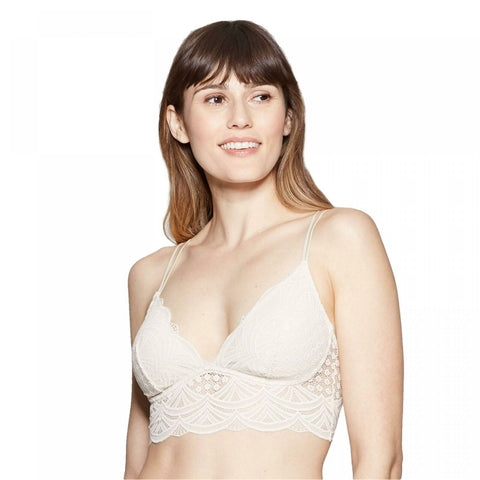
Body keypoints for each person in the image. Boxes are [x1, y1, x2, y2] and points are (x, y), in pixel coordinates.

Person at [124, 20, 403, 480]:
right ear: (178, 123)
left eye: (261, 96)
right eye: (215, 99)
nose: (241, 118)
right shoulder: (150, 275)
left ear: (288, 117)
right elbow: (136, 462)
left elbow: (380, 460)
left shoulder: (340, 239)